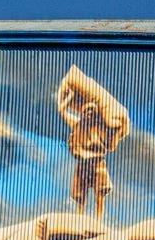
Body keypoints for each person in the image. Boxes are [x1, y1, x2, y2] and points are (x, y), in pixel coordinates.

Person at [56, 72, 131, 219]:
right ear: (83, 113)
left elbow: (111, 146)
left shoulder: (101, 129)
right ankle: (80, 216)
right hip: (83, 164)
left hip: (97, 165)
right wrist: (69, 97)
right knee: (80, 194)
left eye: (92, 112)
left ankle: (99, 219)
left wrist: (118, 129)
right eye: (86, 111)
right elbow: (62, 112)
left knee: (100, 193)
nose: (88, 114)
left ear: (96, 115)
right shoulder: (78, 124)